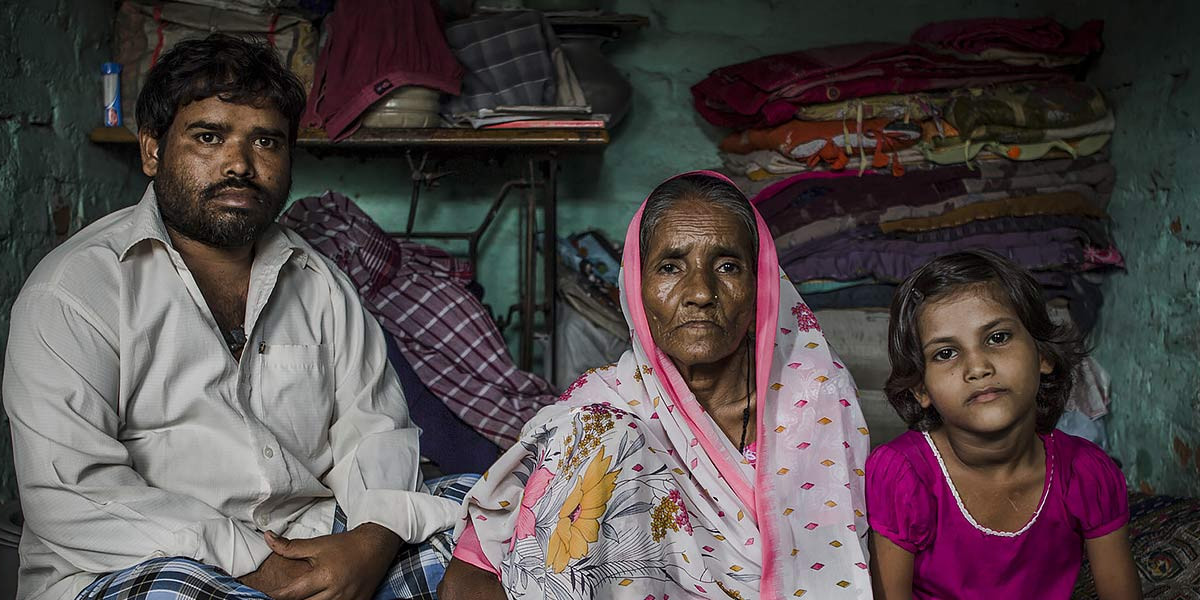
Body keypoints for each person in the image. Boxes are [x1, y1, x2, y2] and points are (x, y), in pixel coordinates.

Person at [3, 34, 475, 600]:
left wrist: (370, 544)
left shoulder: (321, 284)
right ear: (152, 150)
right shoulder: (76, 290)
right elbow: (71, 495)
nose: (240, 165)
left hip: (313, 545)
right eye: (209, 136)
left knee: (495, 521)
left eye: (266, 142)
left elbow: (376, 434)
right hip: (145, 564)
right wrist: (263, 571)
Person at [438, 171, 873, 600]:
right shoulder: (600, 406)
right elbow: (466, 579)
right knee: (604, 435)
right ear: (636, 284)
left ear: (761, 285)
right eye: (670, 267)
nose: (700, 292)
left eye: (727, 266)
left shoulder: (816, 399)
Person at [867, 249, 1140, 599]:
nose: (978, 367)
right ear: (922, 388)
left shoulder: (1086, 473)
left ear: (1042, 355)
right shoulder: (903, 475)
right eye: (946, 353)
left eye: (997, 337)